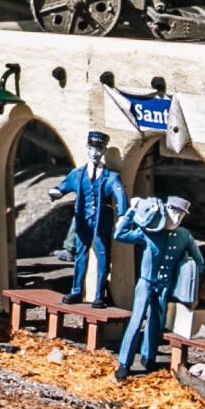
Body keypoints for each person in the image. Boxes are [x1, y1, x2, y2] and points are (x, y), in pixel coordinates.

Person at [112, 194, 205, 380]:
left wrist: (188, 279)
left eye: (182, 215)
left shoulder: (184, 235)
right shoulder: (149, 231)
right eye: (174, 212)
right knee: (136, 321)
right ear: (165, 211)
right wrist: (131, 212)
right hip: (146, 283)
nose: (177, 218)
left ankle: (149, 358)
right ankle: (124, 362)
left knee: (156, 323)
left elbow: (198, 261)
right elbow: (119, 234)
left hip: (164, 286)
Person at [49, 130, 129, 305]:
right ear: (87, 148)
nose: (95, 153)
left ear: (104, 151)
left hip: (102, 223)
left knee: (102, 257)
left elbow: (120, 195)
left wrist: (123, 215)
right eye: (92, 148)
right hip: (83, 221)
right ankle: (76, 291)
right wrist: (56, 192)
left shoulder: (111, 177)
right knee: (80, 255)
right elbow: (63, 186)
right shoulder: (78, 174)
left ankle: (100, 295)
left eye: (99, 149)